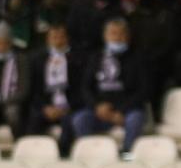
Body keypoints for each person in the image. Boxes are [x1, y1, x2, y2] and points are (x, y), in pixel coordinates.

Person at [73, 18, 148, 153]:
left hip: (127, 111)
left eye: (121, 34)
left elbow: (144, 90)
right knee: (80, 119)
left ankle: (127, 159)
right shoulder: (95, 57)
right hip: (100, 111)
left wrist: (120, 110)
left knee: (135, 120)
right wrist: (97, 106)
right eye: (113, 33)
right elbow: (86, 87)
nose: (118, 38)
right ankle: (92, 157)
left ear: (128, 37)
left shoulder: (138, 58)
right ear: (105, 36)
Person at [25, 25, 83, 154]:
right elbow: (33, 90)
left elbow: (81, 89)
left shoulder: (77, 59)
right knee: (33, 119)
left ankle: (63, 157)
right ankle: (34, 155)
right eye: (54, 37)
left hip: (69, 107)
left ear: (67, 39)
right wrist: (45, 108)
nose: (58, 40)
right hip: (46, 107)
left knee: (69, 124)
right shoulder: (37, 60)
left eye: (61, 37)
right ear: (48, 39)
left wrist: (68, 107)